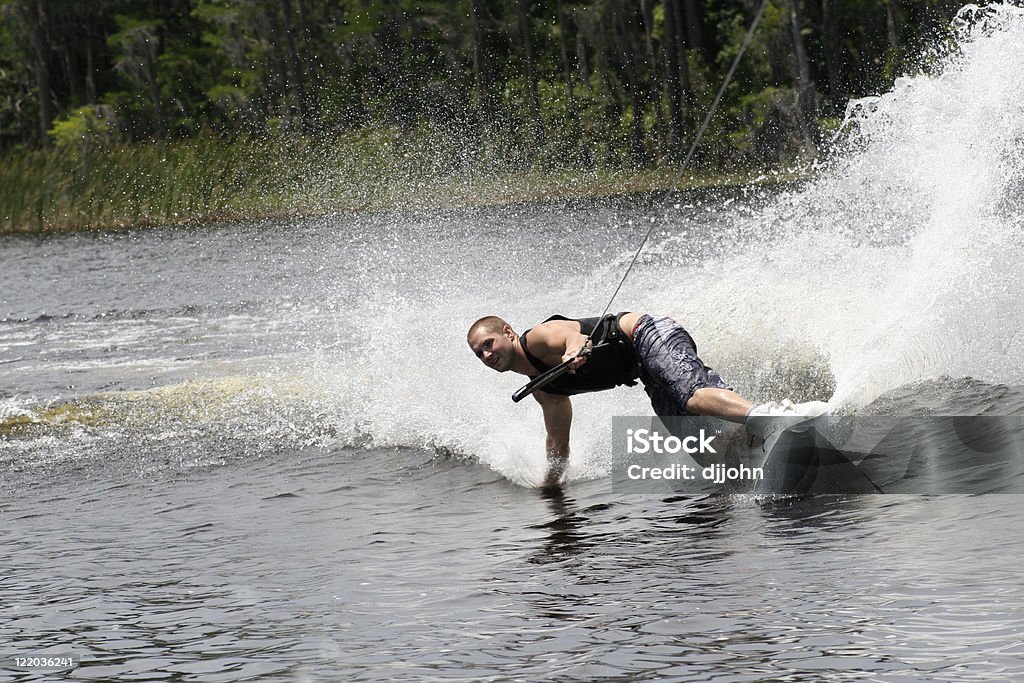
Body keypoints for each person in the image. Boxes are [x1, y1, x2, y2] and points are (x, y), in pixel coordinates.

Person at [467, 311, 762, 488]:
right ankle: (760, 451)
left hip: (647, 333)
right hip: (644, 369)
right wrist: (551, 483)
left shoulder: (538, 339)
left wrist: (574, 351)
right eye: (479, 353)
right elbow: (558, 443)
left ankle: (766, 416)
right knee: (708, 454)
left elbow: (574, 337)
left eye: (488, 344)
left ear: (508, 333)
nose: (487, 355)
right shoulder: (545, 390)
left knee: (690, 397)